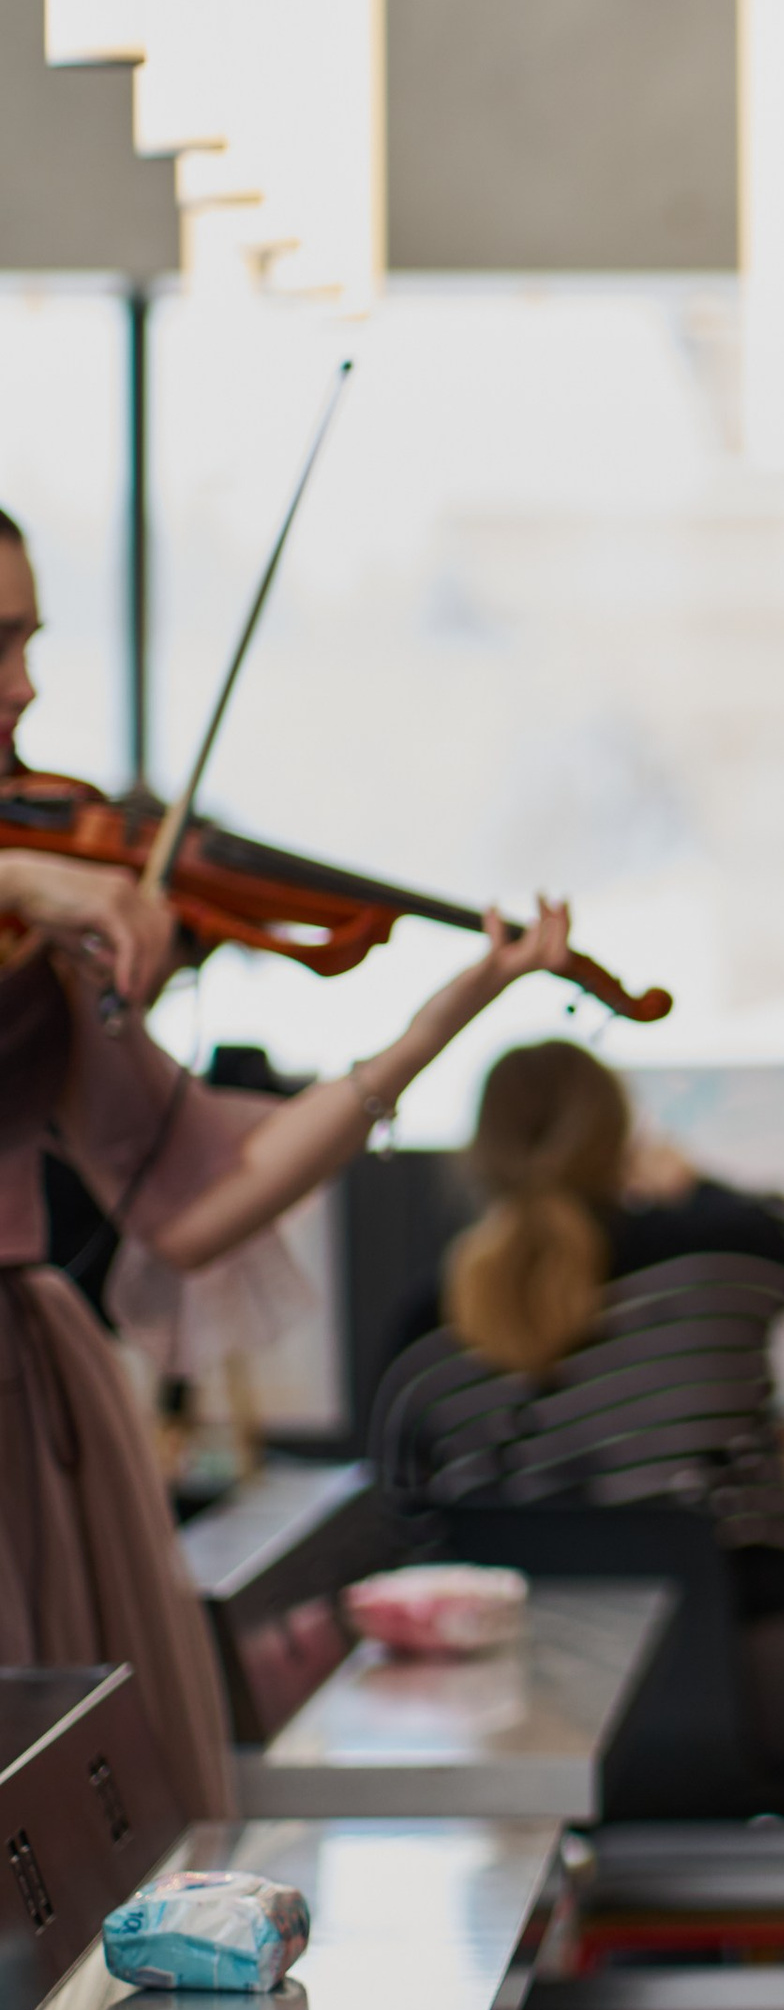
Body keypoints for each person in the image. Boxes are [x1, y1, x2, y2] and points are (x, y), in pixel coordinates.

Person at [0, 506, 575, 1814]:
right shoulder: (45, 886)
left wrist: (451, 1009)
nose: (25, 686)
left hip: (22, 1399)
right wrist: (35, 890)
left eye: (30, 640)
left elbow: (195, 1198)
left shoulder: (61, 889)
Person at [371, 1039, 784, 1897]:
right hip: (743, 1678)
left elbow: (415, 1544)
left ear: (481, 1155)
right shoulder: (719, 1254)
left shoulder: (415, 1339)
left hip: (526, 1726)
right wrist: (682, 1177)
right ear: (618, 1139)